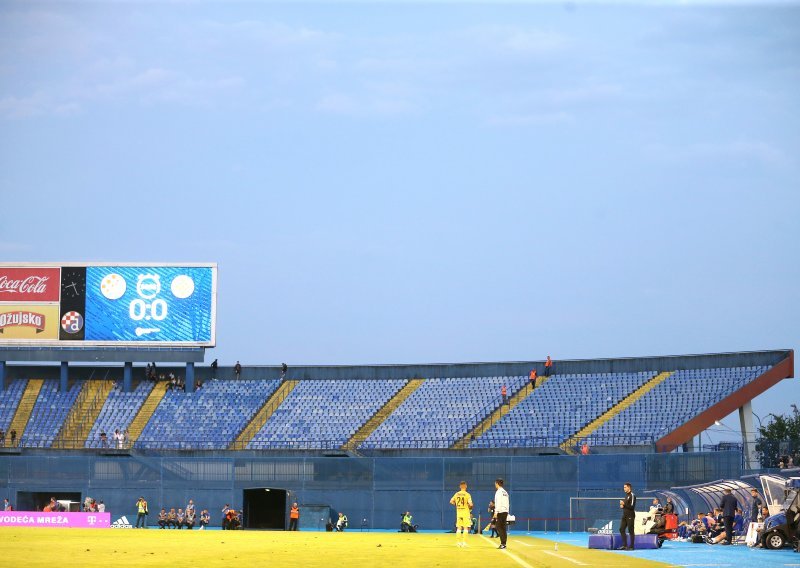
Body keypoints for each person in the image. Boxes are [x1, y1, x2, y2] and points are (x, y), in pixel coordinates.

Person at [449, 480, 473, 547]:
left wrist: (456, 505)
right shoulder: (467, 494)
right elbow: (470, 504)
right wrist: (470, 506)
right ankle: (464, 543)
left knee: (459, 528)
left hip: (459, 512)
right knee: (465, 528)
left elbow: (451, 501)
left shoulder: (457, 494)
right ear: (466, 486)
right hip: (465, 512)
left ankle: (458, 542)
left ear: (460, 486)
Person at [618, 482, 636, 550]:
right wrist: (622, 506)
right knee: (621, 529)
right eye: (624, 487)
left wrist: (624, 504)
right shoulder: (626, 495)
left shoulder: (632, 495)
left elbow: (632, 507)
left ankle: (631, 546)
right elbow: (626, 506)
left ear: (629, 487)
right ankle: (624, 545)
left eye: (625, 487)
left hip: (630, 515)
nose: (624, 488)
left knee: (631, 530)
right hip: (624, 515)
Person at [493, 478, 510, 550]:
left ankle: (503, 543)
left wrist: (496, 512)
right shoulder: (505, 492)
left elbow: (498, 502)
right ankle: (504, 543)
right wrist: (507, 512)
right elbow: (508, 503)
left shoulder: (499, 492)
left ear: (497, 483)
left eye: (495, 483)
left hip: (500, 511)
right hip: (505, 511)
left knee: (498, 527)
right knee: (503, 527)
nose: (495, 485)